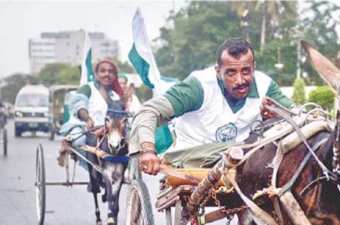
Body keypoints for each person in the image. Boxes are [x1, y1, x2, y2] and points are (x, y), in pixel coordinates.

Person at [129, 38, 294, 175]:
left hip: (242, 157)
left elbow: (299, 114)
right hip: (193, 157)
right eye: (230, 73)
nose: (240, 80)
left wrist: (278, 114)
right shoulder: (198, 86)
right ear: (218, 71)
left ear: (254, 68)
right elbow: (148, 111)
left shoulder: (265, 85)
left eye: (246, 71)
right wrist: (148, 150)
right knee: (243, 151)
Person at [58, 58, 128, 168]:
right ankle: (92, 169)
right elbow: (79, 105)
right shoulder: (87, 88)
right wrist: (87, 118)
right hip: (85, 128)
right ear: (96, 74)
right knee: (80, 141)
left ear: (115, 75)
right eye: (103, 71)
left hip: (109, 130)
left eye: (111, 71)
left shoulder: (116, 94)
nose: (107, 74)